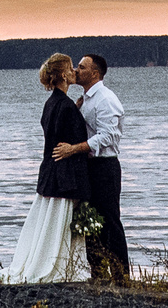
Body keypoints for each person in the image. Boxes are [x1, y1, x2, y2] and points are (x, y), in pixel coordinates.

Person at [0, 52, 92, 285]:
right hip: (64, 177)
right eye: (71, 68)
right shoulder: (65, 106)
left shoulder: (53, 104)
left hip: (50, 173)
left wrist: (75, 109)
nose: (74, 72)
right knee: (58, 222)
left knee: (48, 223)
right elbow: (69, 141)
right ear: (63, 74)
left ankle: (50, 260)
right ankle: (57, 264)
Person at [50, 55, 128, 282]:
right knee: (89, 220)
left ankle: (122, 277)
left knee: (110, 221)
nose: (76, 70)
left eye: (82, 67)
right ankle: (98, 273)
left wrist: (74, 149)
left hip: (105, 166)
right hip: (88, 167)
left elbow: (109, 135)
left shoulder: (105, 99)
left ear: (95, 73)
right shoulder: (85, 99)